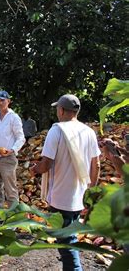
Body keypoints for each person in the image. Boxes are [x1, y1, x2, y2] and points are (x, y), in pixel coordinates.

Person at [30, 94, 101, 271]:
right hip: (79, 196)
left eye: (57, 109)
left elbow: (46, 164)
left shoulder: (57, 131)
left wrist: (34, 169)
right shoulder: (89, 132)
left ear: (61, 110)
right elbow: (97, 165)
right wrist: (90, 191)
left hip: (61, 197)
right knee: (70, 238)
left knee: (67, 244)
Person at [0, 90, 25, 209]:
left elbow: (21, 137)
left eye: (2, 100)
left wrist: (12, 150)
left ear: (8, 101)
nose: (0, 103)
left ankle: (14, 215)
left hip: (8, 158)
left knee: (10, 188)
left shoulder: (14, 117)